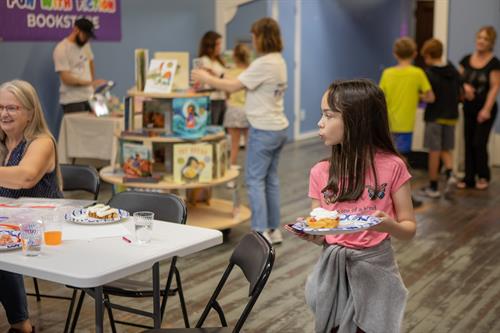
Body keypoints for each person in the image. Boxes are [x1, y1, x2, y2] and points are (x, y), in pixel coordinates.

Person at [286, 79, 416, 333]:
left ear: (357, 121)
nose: (319, 123)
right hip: (333, 272)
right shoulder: (321, 172)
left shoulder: (393, 166)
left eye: (328, 115)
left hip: (376, 270)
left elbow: (409, 229)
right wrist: (312, 235)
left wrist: (388, 225)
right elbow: (323, 232)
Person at [193, 17, 288, 244]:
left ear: (262, 38)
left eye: (254, 36)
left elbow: (234, 86)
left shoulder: (263, 63)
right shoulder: (278, 61)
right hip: (278, 128)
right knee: (270, 179)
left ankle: (259, 232)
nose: (252, 41)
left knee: (255, 180)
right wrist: (217, 75)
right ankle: (273, 229)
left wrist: (205, 77)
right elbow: (240, 79)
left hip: (263, 130)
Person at [0, 80, 63, 333]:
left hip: (42, 226)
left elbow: (26, 176)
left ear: (30, 113)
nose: (4, 113)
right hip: (9, 222)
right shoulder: (3, 143)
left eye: (12, 108)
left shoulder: (42, 142)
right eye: (0, 107)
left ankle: (21, 325)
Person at [379, 36, 435, 207]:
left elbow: (380, 97)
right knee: (402, 163)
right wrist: (416, 95)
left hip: (387, 125)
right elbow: (430, 97)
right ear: (415, 53)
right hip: (405, 127)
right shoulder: (418, 73)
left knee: (387, 161)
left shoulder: (387, 73)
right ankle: (405, 199)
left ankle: (386, 198)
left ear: (395, 54)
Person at [457, 26, 500, 190]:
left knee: (479, 143)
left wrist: (486, 109)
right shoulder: (466, 59)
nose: (481, 41)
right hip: (468, 108)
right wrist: (464, 90)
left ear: (491, 43)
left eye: (486, 39)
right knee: (468, 142)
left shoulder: (494, 63)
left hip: (485, 109)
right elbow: (459, 82)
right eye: (480, 37)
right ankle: (469, 178)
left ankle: (483, 176)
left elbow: (495, 87)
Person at [419, 38, 461, 198]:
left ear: (429, 55)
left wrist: (420, 95)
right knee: (445, 149)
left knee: (434, 151)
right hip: (451, 116)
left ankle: (433, 186)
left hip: (435, 117)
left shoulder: (429, 74)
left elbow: (430, 96)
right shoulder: (453, 70)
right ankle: (450, 174)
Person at [53, 18, 106, 114]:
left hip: (89, 97)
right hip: (73, 101)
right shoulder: (61, 48)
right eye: (85, 35)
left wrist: (93, 85)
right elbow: (66, 78)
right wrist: (89, 83)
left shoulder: (86, 45)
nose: (87, 39)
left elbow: (90, 62)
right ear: (76, 30)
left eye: (89, 36)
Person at [223, 43, 251, 189]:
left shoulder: (229, 73)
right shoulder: (250, 72)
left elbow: (226, 92)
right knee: (248, 146)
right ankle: (249, 177)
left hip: (233, 110)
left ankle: (231, 179)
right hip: (247, 111)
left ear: (234, 56)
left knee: (233, 146)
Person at [198, 31, 227, 125]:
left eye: (220, 44)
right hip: (211, 99)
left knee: (221, 127)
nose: (220, 47)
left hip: (222, 98)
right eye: (217, 44)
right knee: (213, 126)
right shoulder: (204, 60)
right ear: (210, 45)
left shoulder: (219, 61)